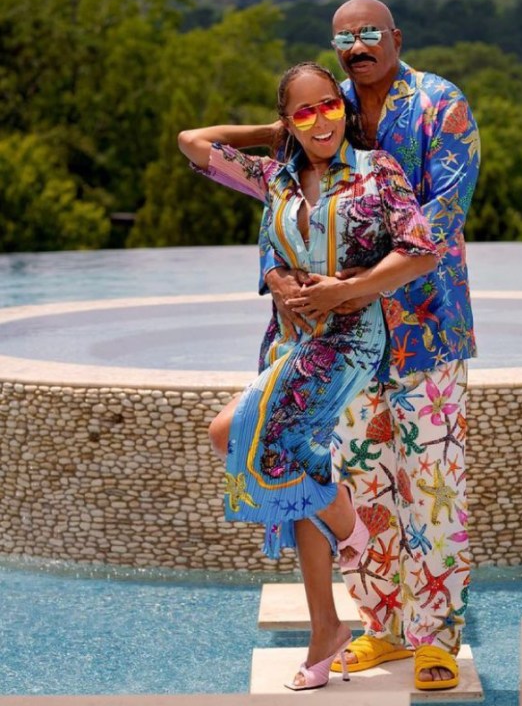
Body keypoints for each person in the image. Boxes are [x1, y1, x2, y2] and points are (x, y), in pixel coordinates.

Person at [177, 61, 439, 691]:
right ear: (288, 121)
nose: (321, 120)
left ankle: (351, 534)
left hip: (348, 338)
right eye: (304, 112)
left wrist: (346, 289)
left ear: (343, 111)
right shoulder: (276, 178)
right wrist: (275, 136)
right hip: (287, 340)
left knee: (226, 433)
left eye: (329, 106)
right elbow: (194, 142)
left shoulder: (378, 173)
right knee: (300, 469)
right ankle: (326, 626)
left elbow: (420, 249)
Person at [265, 0, 481, 692]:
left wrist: (346, 286)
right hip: (349, 345)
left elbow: (439, 225)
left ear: (395, 38)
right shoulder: (334, 115)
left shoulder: (440, 104)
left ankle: (436, 637)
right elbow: (286, 182)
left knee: (433, 489)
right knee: (363, 486)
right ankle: (383, 627)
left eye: (368, 35)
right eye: (344, 38)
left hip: (425, 331)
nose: (358, 47)